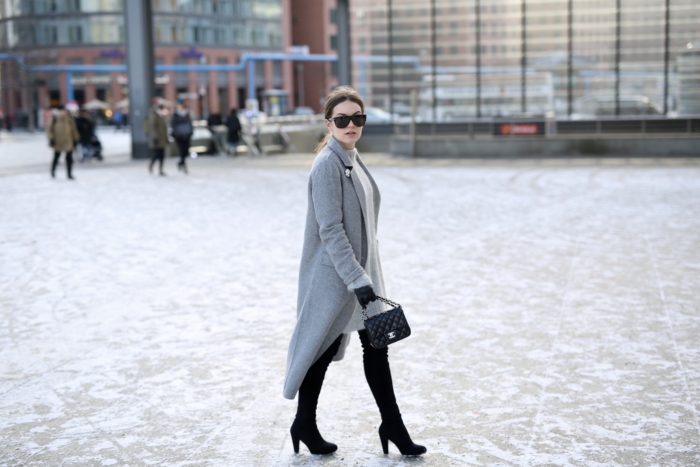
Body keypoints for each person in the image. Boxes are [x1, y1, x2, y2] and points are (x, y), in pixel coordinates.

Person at [283, 86, 427, 457]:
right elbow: (330, 229)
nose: (351, 125)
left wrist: (366, 277)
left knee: (376, 348)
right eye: (343, 119)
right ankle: (305, 422)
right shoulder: (328, 165)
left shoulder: (350, 156)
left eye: (357, 118)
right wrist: (357, 280)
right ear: (329, 123)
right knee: (320, 349)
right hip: (338, 278)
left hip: (361, 275)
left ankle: (391, 425)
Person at [47, 105, 80, 179]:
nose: (63, 112)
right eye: (62, 111)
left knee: (69, 159)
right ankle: (53, 172)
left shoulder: (69, 119)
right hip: (58, 142)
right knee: (56, 157)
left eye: (64, 111)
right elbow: (49, 130)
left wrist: (76, 138)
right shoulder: (55, 119)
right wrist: (51, 138)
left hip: (68, 141)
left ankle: (69, 174)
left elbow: (73, 129)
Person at [144, 99, 169, 176]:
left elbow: (165, 128)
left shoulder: (162, 116)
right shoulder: (154, 115)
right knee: (158, 153)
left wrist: (166, 138)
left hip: (163, 138)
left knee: (162, 155)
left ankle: (161, 170)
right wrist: (155, 137)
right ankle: (151, 164)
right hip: (157, 138)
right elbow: (153, 127)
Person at [171, 100, 193, 174]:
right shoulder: (175, 114)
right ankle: (184, 167)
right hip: (179, 136)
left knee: (186, 152)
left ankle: (180, 163)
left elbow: (190, 123)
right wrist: (177, 134)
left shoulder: (187, 113)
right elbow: (173, 125)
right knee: (182, 151)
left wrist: (191, 132)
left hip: (187, 135)